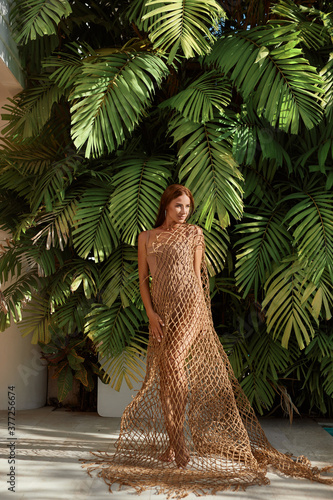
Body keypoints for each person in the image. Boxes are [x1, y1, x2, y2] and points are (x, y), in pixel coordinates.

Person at [82, 184, 332, 498]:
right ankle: (174, 443)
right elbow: (143, 280)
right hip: (160, 313)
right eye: (178, 206)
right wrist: (150, 314)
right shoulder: (145, 237)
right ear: (166, 205)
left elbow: (197, 277)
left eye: (188, 207)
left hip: (190, 308)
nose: (184, 212)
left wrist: (201, 315)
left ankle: (179, 443)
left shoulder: (194, 234)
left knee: (173, 362)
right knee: (163, 374)